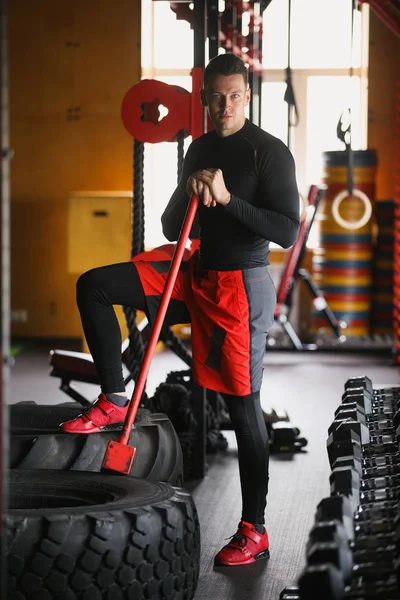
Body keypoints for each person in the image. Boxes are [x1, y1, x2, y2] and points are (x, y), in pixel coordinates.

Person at [60, 53, 300, 567]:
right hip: (191, 271)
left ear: (247, 97)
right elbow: (172, 227)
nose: (224, 105)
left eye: (234, 96)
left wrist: (227, 197)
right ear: (204, 98)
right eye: (215, 96)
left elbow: (285, 232)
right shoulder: (199, 147)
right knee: (95, 287)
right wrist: (190, 188)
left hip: (239, 286)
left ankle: (254, 530)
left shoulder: (269, 152)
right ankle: (114, 398)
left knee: (242, 407)